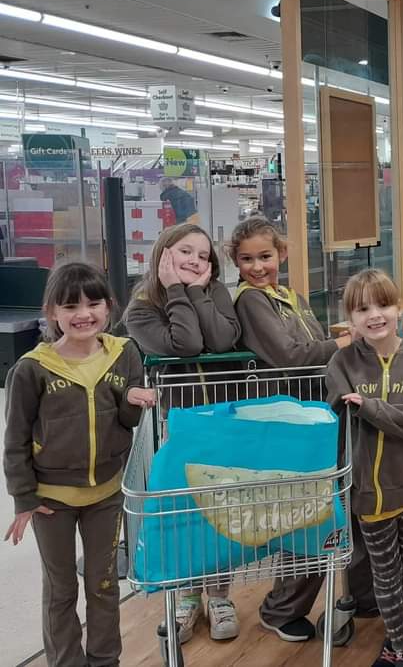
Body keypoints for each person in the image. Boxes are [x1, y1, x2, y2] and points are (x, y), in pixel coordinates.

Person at [4, 262, 156, 667]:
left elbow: (129, 421)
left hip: (106, 495)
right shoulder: (31, 369)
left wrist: (133, 403)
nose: (83, 314)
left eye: (93, 303)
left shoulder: (125, 355)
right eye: (70, 306)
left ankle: (106, 660)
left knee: (104, 585)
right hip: (49, 501)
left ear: (109, 307)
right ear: (52, 312)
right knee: (61, 589)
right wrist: (23, 498)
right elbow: (15, 438)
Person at [227, 217, 371, 642]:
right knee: (307, 515)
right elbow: (291, 356)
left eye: (265, 256)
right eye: (246, 259)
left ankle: (349, 595)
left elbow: (313, 349)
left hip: (315, 415)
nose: (257, 267)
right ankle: (281, 607)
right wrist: (345, 343)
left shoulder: (291, 297)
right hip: (287, 421)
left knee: (327, 508)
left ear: (282, 254)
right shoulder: (251, 301)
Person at [124, 224, 243, 643]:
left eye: (203, 255)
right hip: (178, 427)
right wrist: (176, 290)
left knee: (223, 508)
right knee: (186, 509)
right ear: (163, 253)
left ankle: (220, 595)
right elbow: (188, 345)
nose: (195, 261)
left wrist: (196, 293)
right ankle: (188, 596)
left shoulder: (219, 294)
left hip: (226, 420)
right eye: (185, 252)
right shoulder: (140, 308)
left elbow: (223, 338)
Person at [327, 269, 403, 667]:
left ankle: (395, 643)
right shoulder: (342, 362)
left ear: (400, 310)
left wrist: (373, 409)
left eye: (383, 304)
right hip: (369, 489)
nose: (375, 315)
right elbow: (338, 421)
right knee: (384, 569)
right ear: (350, 318)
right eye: (362, 309)